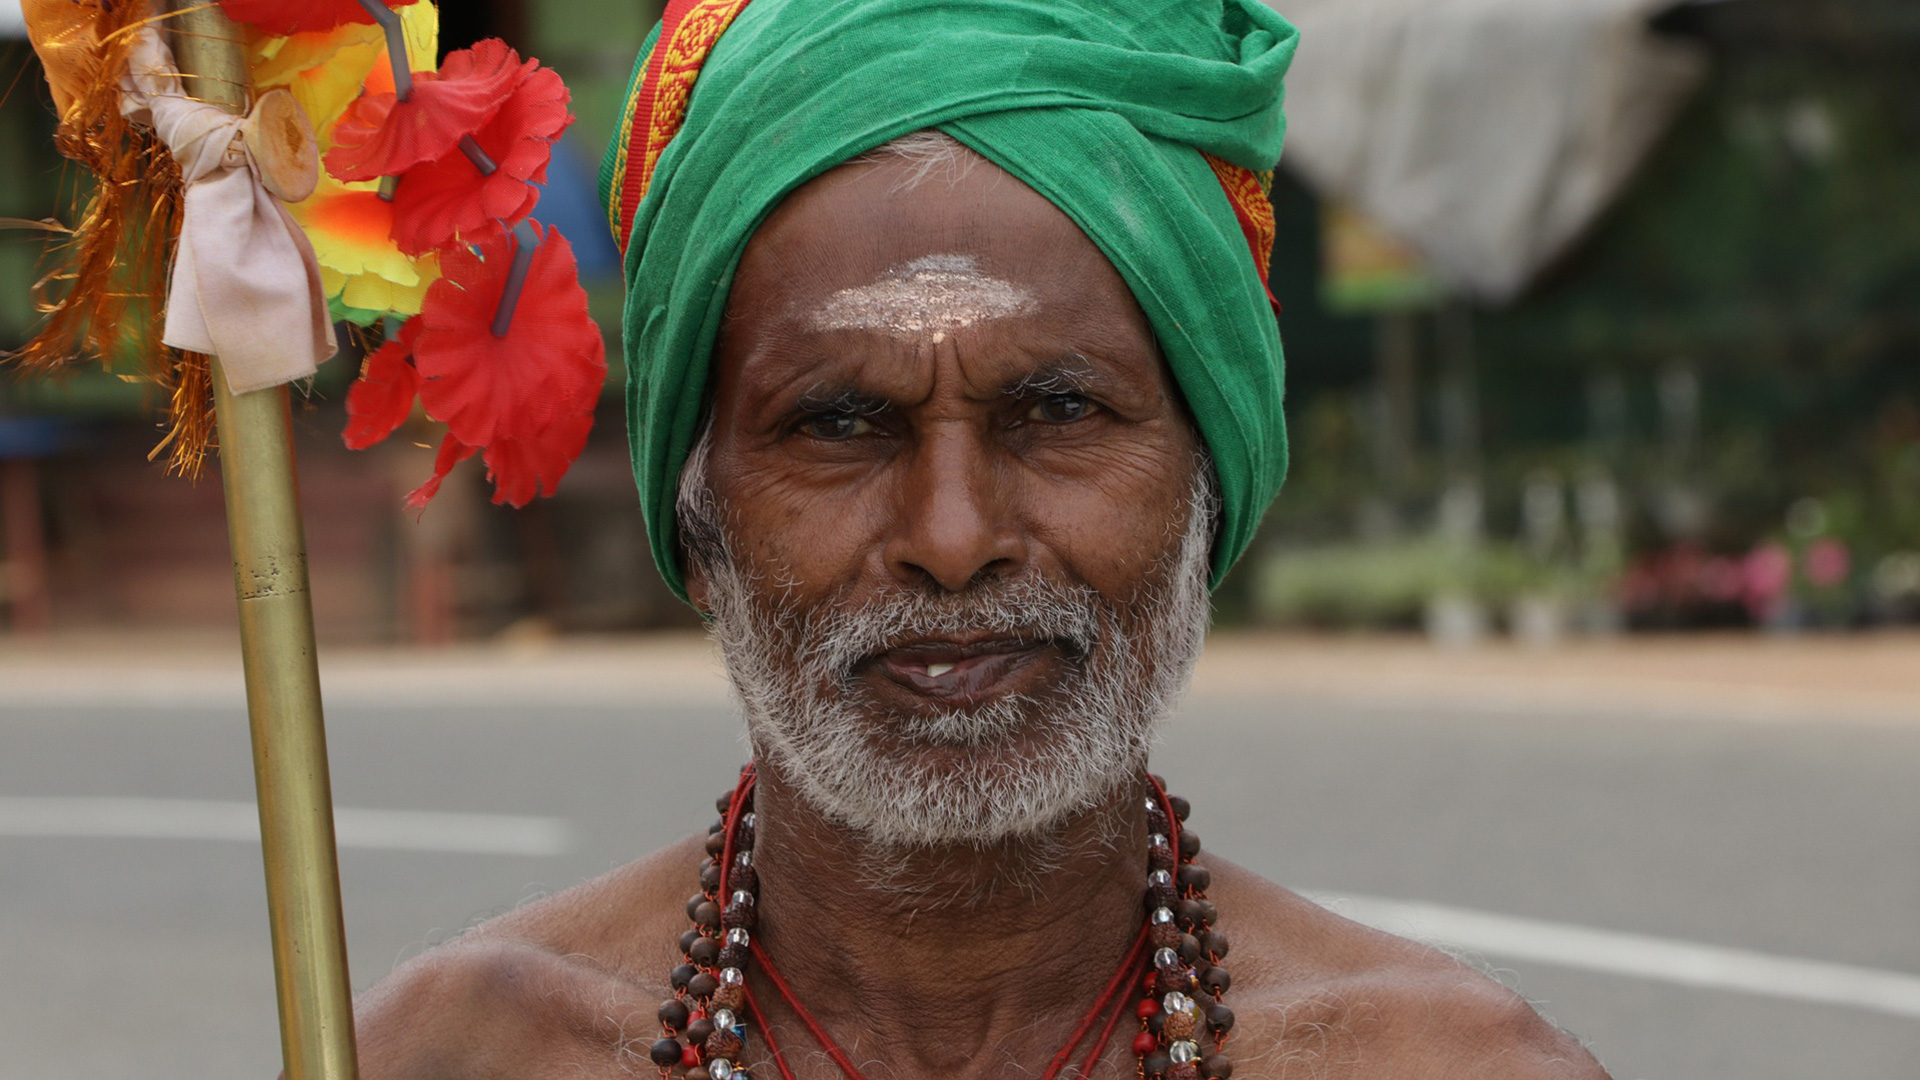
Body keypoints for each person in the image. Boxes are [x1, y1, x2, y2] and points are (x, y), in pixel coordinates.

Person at [351, 1, 1611, 1077]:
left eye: (1058, 412)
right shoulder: (464, 1054)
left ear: (1208, 473)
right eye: (838, 422)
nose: (952, 539)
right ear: (698, 506)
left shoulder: (1449, 1066)